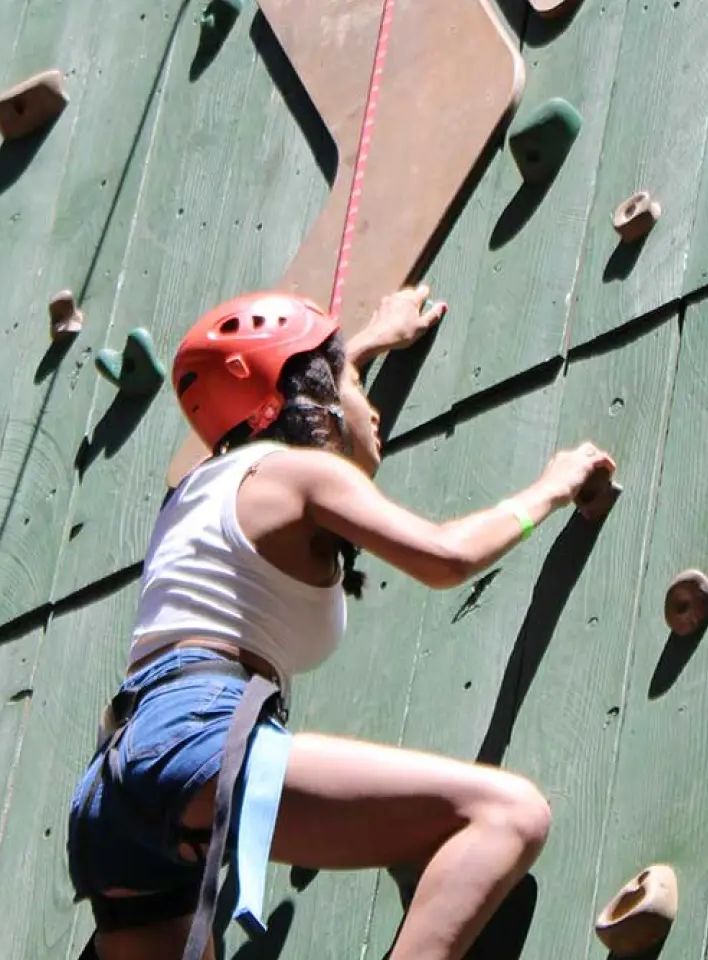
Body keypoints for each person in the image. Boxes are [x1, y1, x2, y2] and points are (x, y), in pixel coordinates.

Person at [66, 285, 618, 960]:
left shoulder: (196, 492)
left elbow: (286, 405)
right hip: (199, 744)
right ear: (312, 397)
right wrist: (551, 487)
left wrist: (370, 341)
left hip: (112, 794)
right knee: (507, 815)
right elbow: (448, 557)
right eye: (353, 381)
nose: (373, 408)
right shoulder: (298, 474)